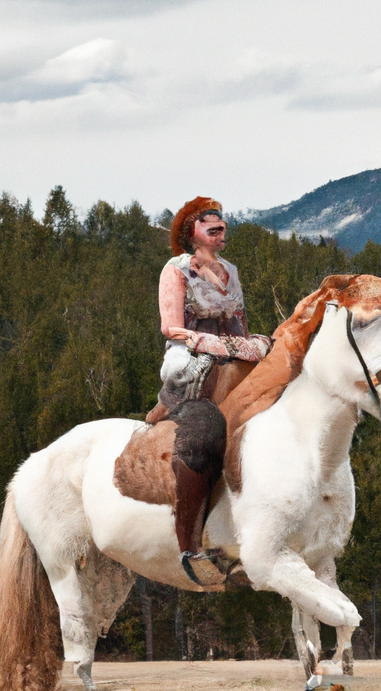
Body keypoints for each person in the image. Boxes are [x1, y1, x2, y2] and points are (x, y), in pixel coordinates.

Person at [147, 196, 270, 582]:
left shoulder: (230, 271)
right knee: (203, 430)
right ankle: (189, 543)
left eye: (222, 229)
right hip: (188, 353)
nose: (220, 234)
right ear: (192, 233)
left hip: (230, 354)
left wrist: (248, 346)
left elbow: (239, 323)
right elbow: (171, 327)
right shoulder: (176, 270)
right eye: (212, 228)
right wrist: (212, 345)